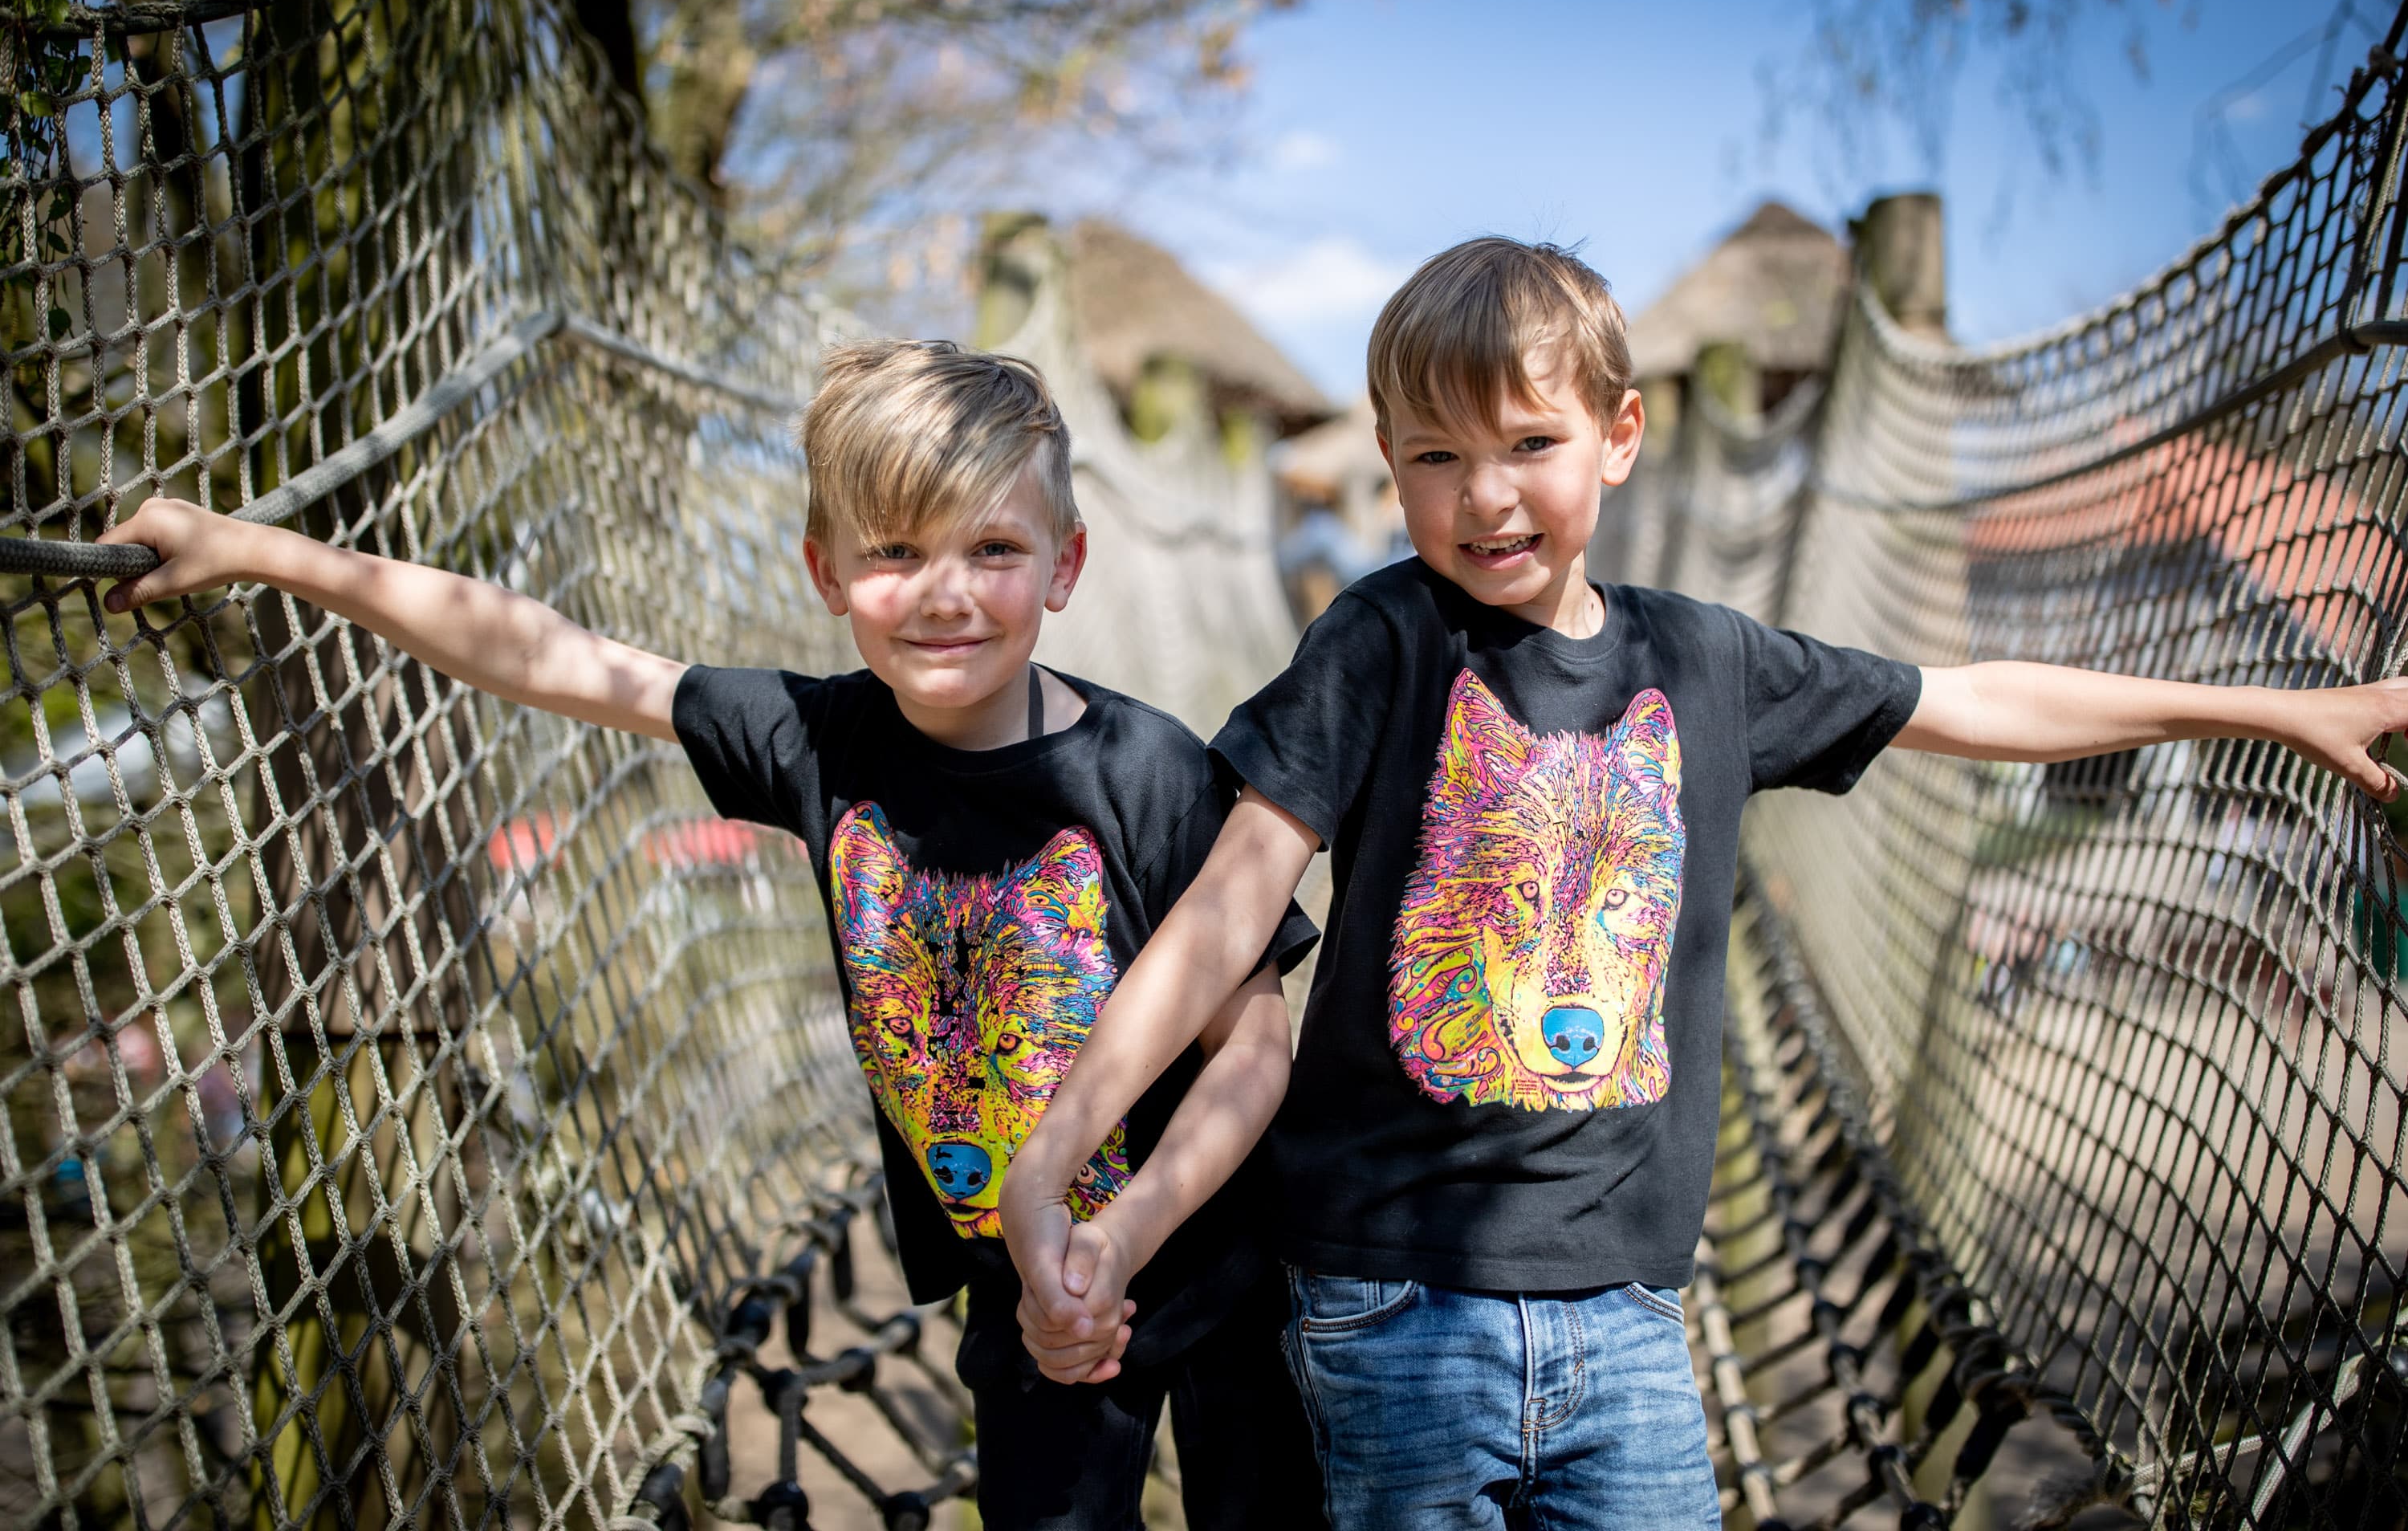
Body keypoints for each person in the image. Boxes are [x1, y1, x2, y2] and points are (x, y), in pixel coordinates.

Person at [998, 238, 2408, 1529]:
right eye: (1436, 458)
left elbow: (1977, 700)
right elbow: (1227, 916)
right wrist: (1061, 1162)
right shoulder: (1382, 646)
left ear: (1620, 439)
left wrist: (2279, 711)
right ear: (1386, 459)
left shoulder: (1707, 664)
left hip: (1626, 1316)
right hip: (1395, 1304)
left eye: (1530, 445)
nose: (1485, 495)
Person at [96, 340, 1328, 1531]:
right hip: (1023, 1290)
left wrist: (1123, 1234)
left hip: (1212, 1257)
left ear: (1064, 565)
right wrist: (255, 550)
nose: (946, 592)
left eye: (993, 548)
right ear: (824, 570)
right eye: (895, 550)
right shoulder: (816, 739)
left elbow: (1251, 1048)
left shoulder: (1150, 771)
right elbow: (541, 654)